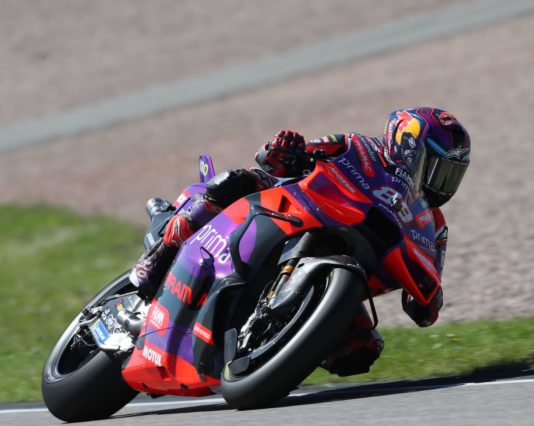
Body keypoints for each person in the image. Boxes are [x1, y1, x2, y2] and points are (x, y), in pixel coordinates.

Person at [130, 107, 471, 376]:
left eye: (451, 175)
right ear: (410, 147)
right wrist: (287, 148)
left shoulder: (434, 226)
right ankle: (160, 255)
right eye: (439, 169)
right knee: (239, 180)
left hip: (349, 268)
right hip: (297, 209)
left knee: (359, 352)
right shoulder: (358, 146)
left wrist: (428, 300)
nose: (443, 183)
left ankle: (274, 350)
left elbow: (426, 301)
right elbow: (277, 156)